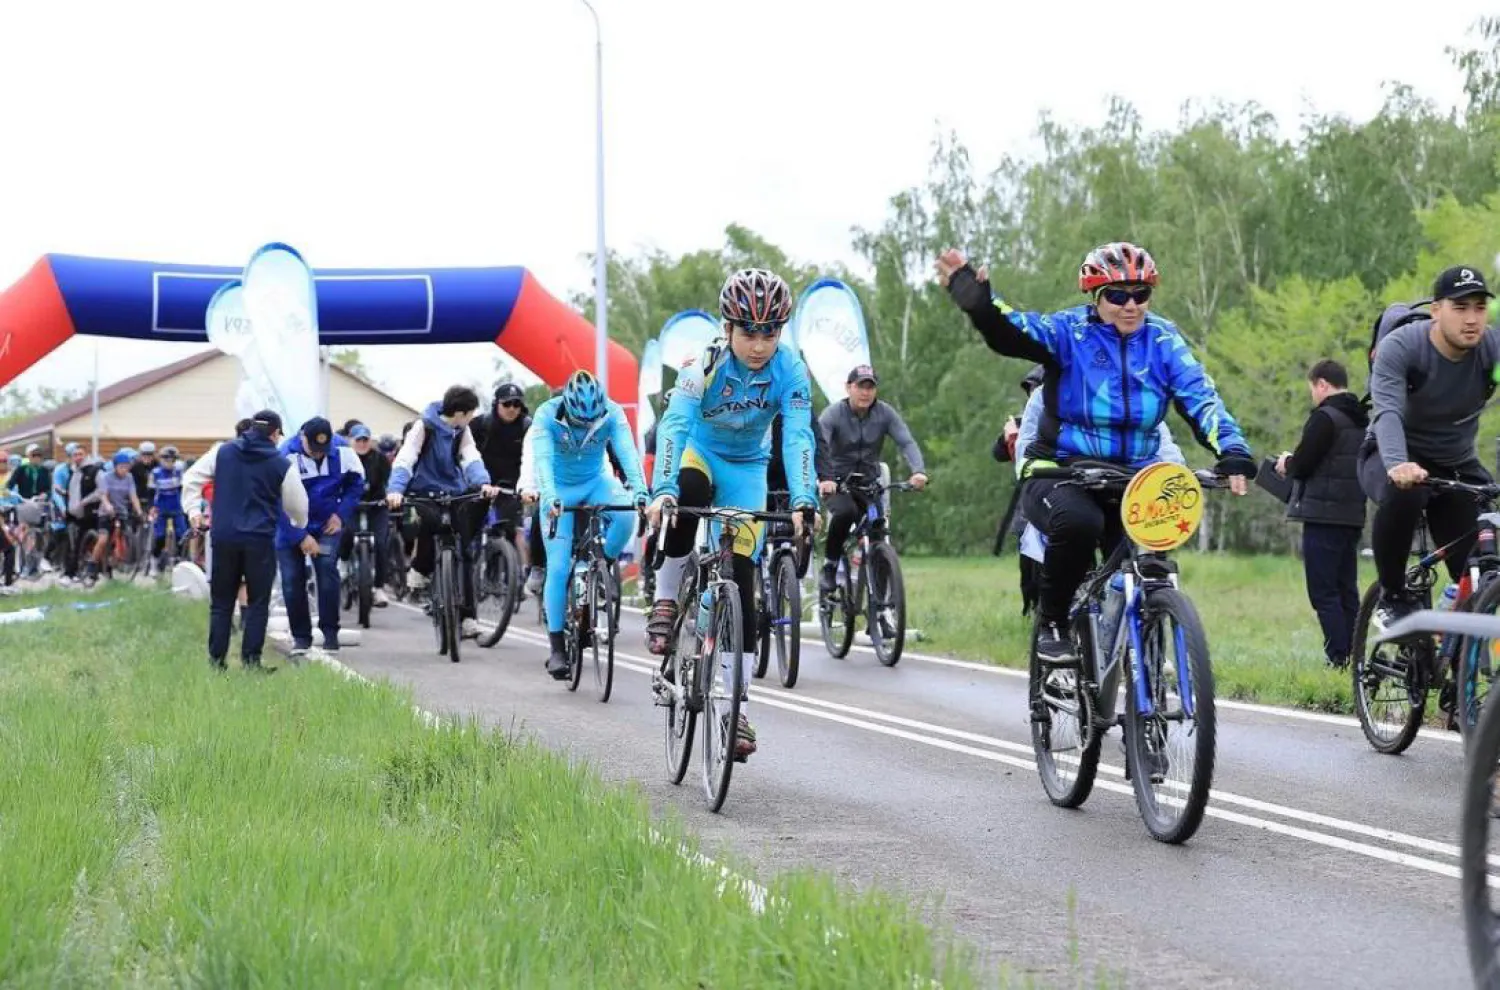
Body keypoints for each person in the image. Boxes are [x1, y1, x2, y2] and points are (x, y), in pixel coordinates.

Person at [936, 242, 1254, 664]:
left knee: (1151, 552)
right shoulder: (1070, 332)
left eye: (1140, 295)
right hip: (1061, 471)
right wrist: (981, 307)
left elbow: (1200, 397)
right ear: (1096, 296)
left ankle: (1147, 663)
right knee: (1080, 523)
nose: (1131, 306)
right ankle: (1052, 622)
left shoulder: (1162, 339)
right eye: (1118, 295)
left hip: (1133, 475)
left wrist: (1231, 448)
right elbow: (1016, 332)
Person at [646, 268, 820, 762]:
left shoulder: (790, 369)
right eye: (749, 332)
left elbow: (799, 435)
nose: (760, 344)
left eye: (771, 332)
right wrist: (662, 490)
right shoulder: (701, 363)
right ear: (727, 328)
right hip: (700, 452)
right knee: (688, 492)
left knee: (742, 580)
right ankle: (664, 600)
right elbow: (675, 424)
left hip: (748, 467)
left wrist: (805, 498)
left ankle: (735, 707)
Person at [1361, 265, 1500, 627]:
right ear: (1437, 310)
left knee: (1480, 562)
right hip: (1392, 453)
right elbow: (1387, 413)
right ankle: (1391, 596)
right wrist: (1397, 464)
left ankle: (1462, 661)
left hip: (1456, 462)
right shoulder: (1403, 347)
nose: (1472, 319)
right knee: (1404, 494)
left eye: (1479, 308)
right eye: (1460, 307)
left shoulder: (1492, 348)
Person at [523, 371, 647, 678]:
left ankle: (601, 567)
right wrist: (549, 497)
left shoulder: (612, 413)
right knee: (559, 567)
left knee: (626, 513)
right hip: (560, 488)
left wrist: (641, 491)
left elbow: (628, 454)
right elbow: (542, 461)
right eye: (580, 422)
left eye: (593, 421)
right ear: (567, 407)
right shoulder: (546, 415)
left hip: (595, 482)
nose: (587, 427)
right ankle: (556, 649)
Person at [184, 411, 309, 672]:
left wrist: (194, 512)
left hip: (224, 537)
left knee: (221, 602)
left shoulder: (222, 451)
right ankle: (251, 662)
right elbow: (298, 504)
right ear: (275, 434)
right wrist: (299, 524)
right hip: (259, 540)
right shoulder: (280, 462)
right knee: (257, 602)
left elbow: (192, 478)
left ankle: (216, 662)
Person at [1272, 359, 1368, 668]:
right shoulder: (1362, 419)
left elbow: (1303, 464)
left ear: (1322, 384)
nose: (1313, 394)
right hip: (1352, 515)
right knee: (1346, 591)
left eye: (1313, 388)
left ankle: (1338, 657)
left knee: (1323, 592)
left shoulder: (1325, 418)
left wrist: (1286, 462)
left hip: (1323, 518)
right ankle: (1356, 657)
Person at [386, 386, 500, 639]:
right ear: (459, 413)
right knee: (429, 524)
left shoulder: (462, 431)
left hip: (454, 490)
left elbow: (471, 457)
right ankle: (420, 570)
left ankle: (469, 617)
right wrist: (395, 490)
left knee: (465, 553)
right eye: (470, 413)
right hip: (424, 492)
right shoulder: (423, 427)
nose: (472, 418)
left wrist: (483, 483)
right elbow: (406, 458)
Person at [814, 364, 928, 595]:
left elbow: (906, 442)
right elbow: (820, 446)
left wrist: (918, 471)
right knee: (845, 514)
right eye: (860, 386)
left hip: (869, 485)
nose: (865, 392)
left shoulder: (885, 413)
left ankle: (883, 606)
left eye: (870, 387)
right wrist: (824, 478)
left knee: (878, 531)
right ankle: (830, 565)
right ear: (849, 388)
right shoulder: (834, 414)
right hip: (838, 483)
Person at [274, 416, 365, 655]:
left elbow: (356, 484)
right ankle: (301, 637)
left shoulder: (343, 451)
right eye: (313, 450)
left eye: (322, 451)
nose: (317, 455)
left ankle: (330, 632)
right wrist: (299, 535)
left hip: (327, 523)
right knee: (292, 580)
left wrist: (341, 514)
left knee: (327, 570)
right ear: (302, 438)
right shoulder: (284, 455)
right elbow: (275, 501)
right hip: (290, 524)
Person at [470, 381, 533, 573]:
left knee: (511, 529)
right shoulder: (480, 425)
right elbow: (464, 454)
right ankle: (466, 570)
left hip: (512, 486)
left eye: (517, 404)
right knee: (469, 529)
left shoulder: (529, 427)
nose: (512, 409)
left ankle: (511, 579)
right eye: (507, 404)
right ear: (496, 404)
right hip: (481, 483)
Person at [339, 423, 392, 607]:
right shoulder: (342, 458)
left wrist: (392, 497)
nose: (362, 443)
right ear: (350, 441)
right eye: (358, 440)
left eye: (365, 440)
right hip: (351, 505)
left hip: (376, 505)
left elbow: (390, 482)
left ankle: (379, 588)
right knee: (346, 533)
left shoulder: (380, 459)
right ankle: (344, 563)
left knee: (381, 543)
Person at [88, 451, 145, 579]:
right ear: (115, 467)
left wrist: (139, 511)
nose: (124, 469)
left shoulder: (129, 477)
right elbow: (103, 494)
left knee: (125, 536)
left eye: (127, 466)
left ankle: (118, 560)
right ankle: (92, 564)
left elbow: (133, 496)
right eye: (121, 467)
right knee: (103, 540)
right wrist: (108, 506)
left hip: (121, 511)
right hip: (106, 512)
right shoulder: (106, 477)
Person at [148, 445, 189, 568]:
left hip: (176, 507)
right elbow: (150, 492)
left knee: (181, 534)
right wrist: (152, 507)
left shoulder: (179, 471)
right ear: (161, 460)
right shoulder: (155, 473)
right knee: (160, 536)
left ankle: (178, 559)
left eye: (172, 460)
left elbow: (183, 489)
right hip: (161, 507)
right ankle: (154, 560)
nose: (169, 463)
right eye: (166, 460)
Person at [130, 441, 157, 505]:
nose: (147, 457)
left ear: (153, 455)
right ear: (140, 455)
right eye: (144, 455)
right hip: (139, 498)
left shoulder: (158, 466)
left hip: (155, 498)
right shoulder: (134, 467)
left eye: (149, 455)